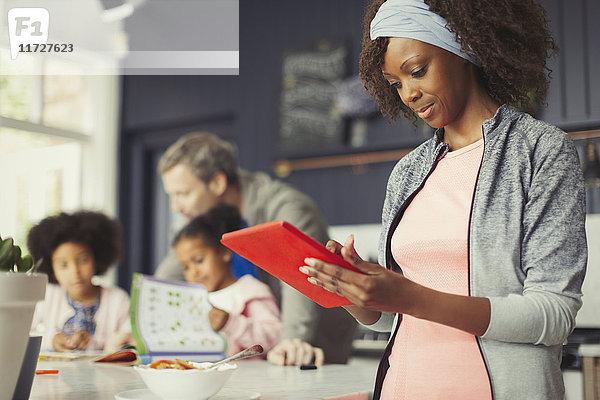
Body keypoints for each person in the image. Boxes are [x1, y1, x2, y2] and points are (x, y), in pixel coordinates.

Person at [299, 0, 587, 398]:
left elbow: (552, 314)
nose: (409, 94)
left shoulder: (540, 151)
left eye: (417, 71)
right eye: (395, 83)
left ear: (464, 47)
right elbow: (389, 320)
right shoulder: (408, 172)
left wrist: (413, 297)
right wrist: (348, 287)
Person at [156, 132, 356, 366]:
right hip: (256, 354)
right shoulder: (207, 222)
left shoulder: (287, 207)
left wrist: (290, 342)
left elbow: (301, 280)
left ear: (218, 183)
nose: (174, 206)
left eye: (183, 194)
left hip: (312, 345)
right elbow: (166, 279)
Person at [173, 204, 280, 357]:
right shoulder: (192, 300)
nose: (193, 272)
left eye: (199, 260)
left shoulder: (250, 291)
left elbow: (274, 338)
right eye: (185, 267)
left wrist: (232, 323)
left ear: (224, 252)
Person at [28, 211, 133, 353]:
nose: (75, 271)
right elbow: (24, 334)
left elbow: (130, 343)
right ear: (51, 267)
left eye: (83, 260)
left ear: (97, 259)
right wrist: (52, 340)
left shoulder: (118, 300)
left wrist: (94, 343)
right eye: (63, 265)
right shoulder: (47, 296)